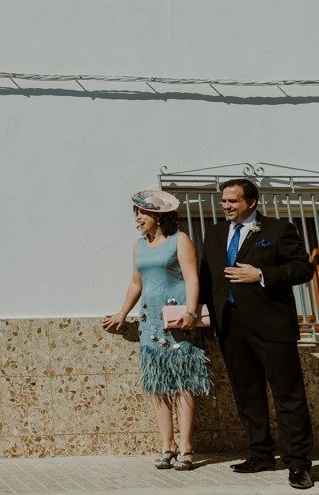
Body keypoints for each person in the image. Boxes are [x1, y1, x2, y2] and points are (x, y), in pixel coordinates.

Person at [199, 179, 314, 490]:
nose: (225, 206)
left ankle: (298, 463)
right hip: (230, 327)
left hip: (272, 326)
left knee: (288, 396)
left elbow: (303, 269)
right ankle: (260, 453)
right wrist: (205, 315)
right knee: (247, 392)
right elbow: (205, 276)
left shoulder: (278, 230)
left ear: (250, 202)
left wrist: (261, 274)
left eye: (232, 201)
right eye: (223, 201)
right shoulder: (215, 233)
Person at [103, 190, 211, 471]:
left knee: (184, 383)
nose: (138, 218)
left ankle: (186, 447)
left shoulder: (180, 240)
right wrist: (122, 312)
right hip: (150, 322)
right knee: (157, 384)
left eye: (142, 213)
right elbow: (136, 283)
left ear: (159, 217)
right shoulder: (139, 245)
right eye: (136, 213)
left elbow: (191, 277)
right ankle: (167, 445)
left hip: (178, 320)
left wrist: (190, 311)